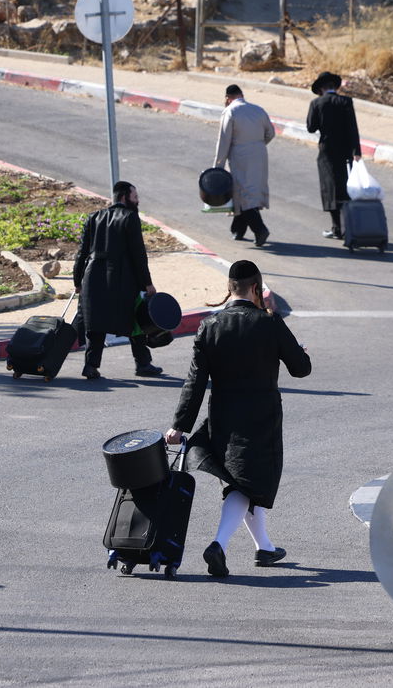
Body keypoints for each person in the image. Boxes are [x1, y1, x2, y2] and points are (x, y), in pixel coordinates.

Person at [164, 259, 311, 577]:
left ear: (228, 288)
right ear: (256, 288)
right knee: (244, 486)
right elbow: (301, 369)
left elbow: (195, 383)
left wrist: (179, 426)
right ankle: (218, 545)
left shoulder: (210, 326)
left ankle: (265, 548)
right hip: (261, 419)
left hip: (223, 419)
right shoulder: (270, 323)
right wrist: (298, 349)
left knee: (244, 483)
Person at [72, 180, 164, 380]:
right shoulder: (130, 217)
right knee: (134, 320)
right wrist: (147, 283)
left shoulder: (93, 217)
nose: (137, 201)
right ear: (124, 197)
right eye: (135, 197)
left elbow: (81, 253)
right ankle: (143, 364)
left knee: (95, 324)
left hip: (92, 277)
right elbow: (138, 254)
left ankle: (91, 366)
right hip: (121, 279)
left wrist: (78, 280)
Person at [215, 84, 277, 246]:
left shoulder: (230, 112)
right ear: (242, 95)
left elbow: (224, 141)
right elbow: (270, 133)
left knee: (242, 193)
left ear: (228, 98)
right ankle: (238, 229)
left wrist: (217, 168)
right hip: (259, 154)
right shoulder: (258, 110)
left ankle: (260, 229)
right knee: (251, 191)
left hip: (239, 156)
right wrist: (258, 145)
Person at [306, 71, 362, 240]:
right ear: (333, 87)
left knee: (330, 189)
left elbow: (311, 127)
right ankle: (350, 226)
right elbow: (353, 128)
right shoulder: (346, 102)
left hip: (327, 152)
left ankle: (337, 228)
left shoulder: (317, 103)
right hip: (345, 152)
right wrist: (356, 152)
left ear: (321, 88)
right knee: (346, 188)